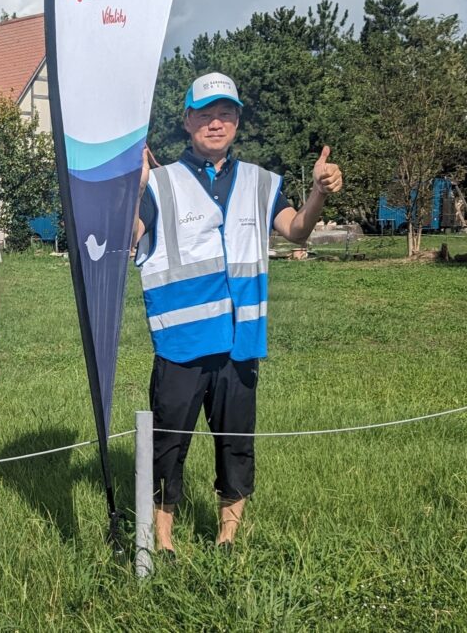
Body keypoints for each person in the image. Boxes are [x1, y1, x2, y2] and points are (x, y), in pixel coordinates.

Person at [134, 72, 343, 555]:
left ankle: (228, 537)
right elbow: (128, 236)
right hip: (181, 344)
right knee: (168, 444)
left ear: (237, 121)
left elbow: (296, 231)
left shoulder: (260, 182)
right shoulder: (159, 183)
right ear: (187, 121)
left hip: (239, 340)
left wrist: (318, 193)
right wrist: (131, 189)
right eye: (204, 114)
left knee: (236, 442)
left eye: (224, 113)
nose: (215, 122)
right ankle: (162, 541)